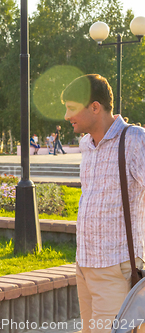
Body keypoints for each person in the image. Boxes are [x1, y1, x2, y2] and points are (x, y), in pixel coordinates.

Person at [61, 74, 145, 333]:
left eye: (72, 108)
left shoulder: (134, 140)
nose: (66, 116)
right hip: (85, 265)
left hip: (116, 267)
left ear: (95, 107)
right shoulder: (87, 144)